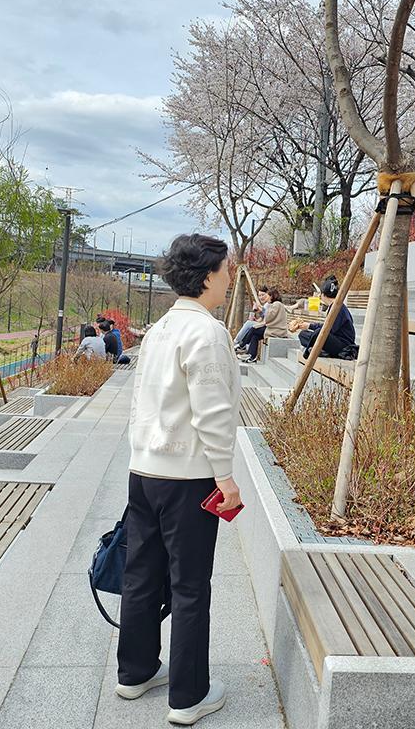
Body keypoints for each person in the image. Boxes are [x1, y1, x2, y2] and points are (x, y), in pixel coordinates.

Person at [117, 233, 241, 726]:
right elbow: (213, 413)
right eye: (226, 270)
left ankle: (135, 672)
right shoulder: (207, 333)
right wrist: (225, 477)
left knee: (141, 575)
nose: (230, 278)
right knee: (189, 586)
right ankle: (189, 696)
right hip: (188, 475)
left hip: (144, 470)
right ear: (208, 275)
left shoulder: (161, 328)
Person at [292, 276, 357, 360]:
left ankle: (312, 351)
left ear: (323, 294)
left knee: (318, 333)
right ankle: (323, 351)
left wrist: (311, 327)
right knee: (303, 334)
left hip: (343, 346)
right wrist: (309, 326)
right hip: (334, 340)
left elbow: (327, 329)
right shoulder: (335, 306)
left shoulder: (338, 308)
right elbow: (327, 327)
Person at [239, 288, 289, 363]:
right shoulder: (276, 304)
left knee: (253, 329)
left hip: (277, 330)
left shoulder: (276, 304)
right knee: (255, 336)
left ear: (271, 296)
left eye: (267, 296)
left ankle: (242, 345)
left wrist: (263, 309)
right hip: (273, 328)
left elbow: (269, 318)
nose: (266, 298)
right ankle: (251, 356)